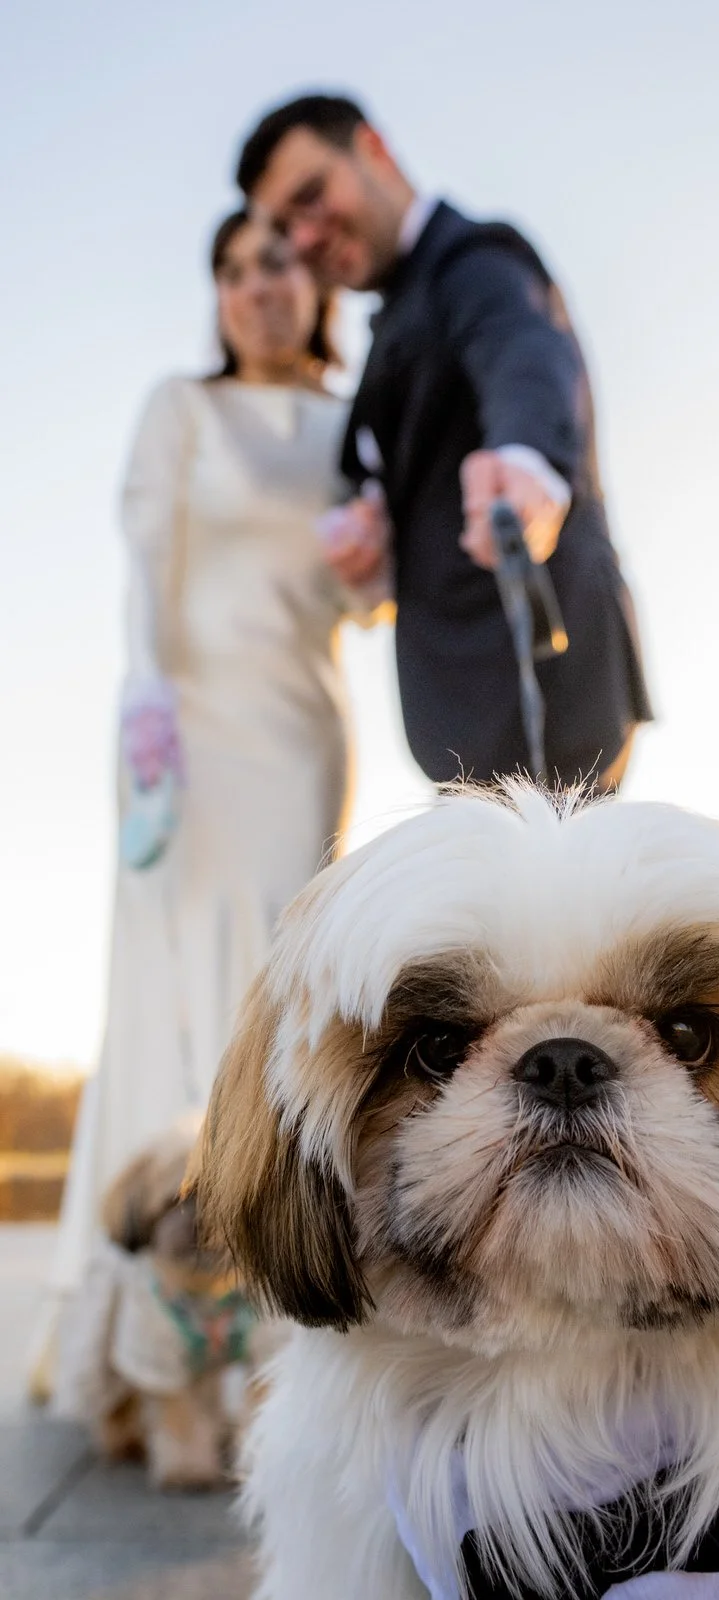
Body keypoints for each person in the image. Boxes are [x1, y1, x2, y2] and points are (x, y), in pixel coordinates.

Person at [31, 209, 362, 1399]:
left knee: (275, 986)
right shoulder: (183, 406)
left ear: (315, 281)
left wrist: (372, 558)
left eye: (274, 263)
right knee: (176, 999)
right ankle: (132, 1334)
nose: (253, 287)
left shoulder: (354, 423)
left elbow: (367, 594)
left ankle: (274, 1320)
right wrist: (146, 705)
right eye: (230, 271)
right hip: (185, 734)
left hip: (300, 730)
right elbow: (142, 557)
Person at [235, 93, 652, 789]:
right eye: (283, 226)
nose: (302, 238)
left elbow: (520, 350)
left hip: (546, 692)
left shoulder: (475, 259)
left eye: (311, 196)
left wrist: (526, 461)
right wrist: (373, 536)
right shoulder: (391, 320)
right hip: (462, 716)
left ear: (373, 150)